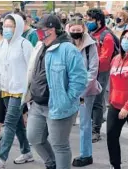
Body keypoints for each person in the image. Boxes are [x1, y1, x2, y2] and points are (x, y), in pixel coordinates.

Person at [23, 14, 87, 169]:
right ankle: (52, 164)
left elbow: (79, 81)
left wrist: (66, 100)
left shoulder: (68, 50)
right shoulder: (41, 46)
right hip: (38, 104)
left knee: (60, 145)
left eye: (41, 31)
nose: (38, 34)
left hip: (58, 106)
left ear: (51, 30)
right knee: (34, 137)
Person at [0, 14, 34, 169]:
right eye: (5, 25)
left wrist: (30, 90)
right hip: (5, 90)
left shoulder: (24, 45)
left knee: (9, 123)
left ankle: (0, 158)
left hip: (20, 91)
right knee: (18, 123)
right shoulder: (1, 45)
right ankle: (26, 151)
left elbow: (32, 68)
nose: (7, 29)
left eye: (10, 26)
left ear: (17, 27)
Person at [68, 18, 102, 167]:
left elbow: (93, 71)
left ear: (83, 29)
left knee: (84, 123)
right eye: (73, 30)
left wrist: (80, 91)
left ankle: (86, 154)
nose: (75, 33)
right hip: (70, 90)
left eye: (78, 30)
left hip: (85, 92)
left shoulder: (90, 46)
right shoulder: (67, 45)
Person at [86, 8, 115, 143]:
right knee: (89, 100)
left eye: (91, 19)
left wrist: (92, 64)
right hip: (90, 71)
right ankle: (91, 124)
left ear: (98, 20)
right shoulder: (90, 33)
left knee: (97, 101)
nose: (88, 22)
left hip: (101, 72)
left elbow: (105, 58)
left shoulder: (106, 36)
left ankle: (95, 131)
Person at [107, 29, 128, 169]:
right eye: (124, 37)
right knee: (111, 136)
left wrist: (127, 107)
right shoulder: (115, 59)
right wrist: (111, 100)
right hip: (115, 105)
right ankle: (115, 165)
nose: (126, 40)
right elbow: (112, 83)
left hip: (127, 106)